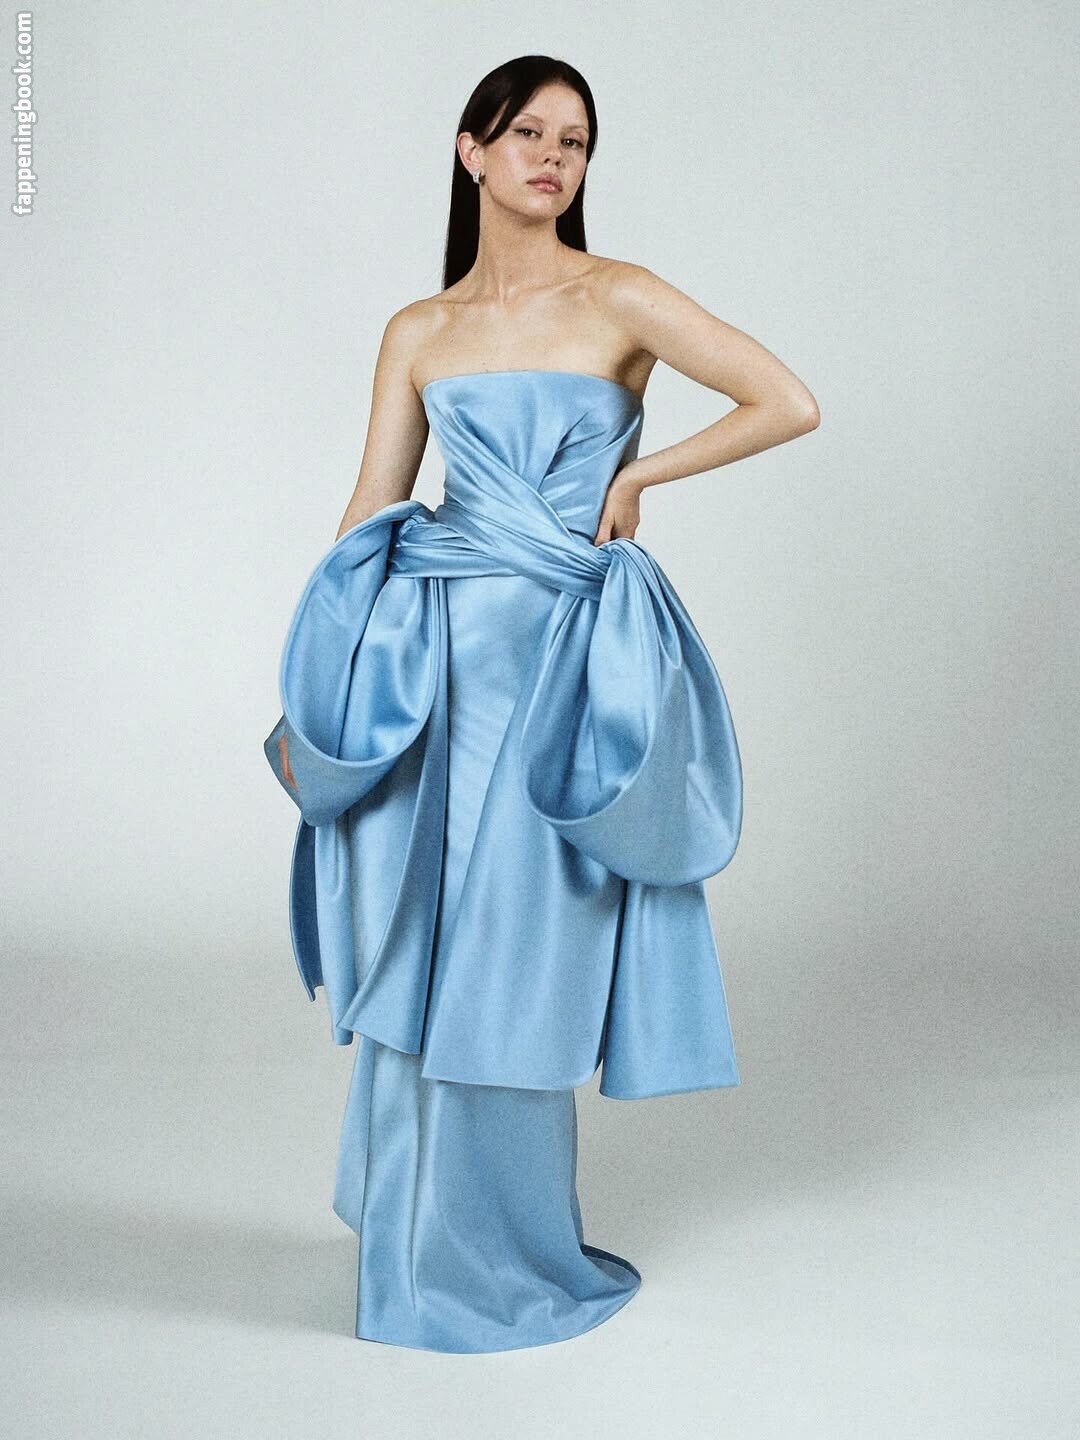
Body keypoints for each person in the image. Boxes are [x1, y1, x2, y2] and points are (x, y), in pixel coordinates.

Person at [263, 54, 819, 1354]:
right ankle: (414, 1243)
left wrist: (642, 477)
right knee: (423, 944)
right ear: (472, 151)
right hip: (433, 665)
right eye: (528, 134)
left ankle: (497, 1253)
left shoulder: (617, 295)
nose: (553, 159)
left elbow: (787, 401)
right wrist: (319, 697)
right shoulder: (420, 328)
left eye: (574, 141)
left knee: (515, 956)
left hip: (561, 667)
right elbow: (371, 510)